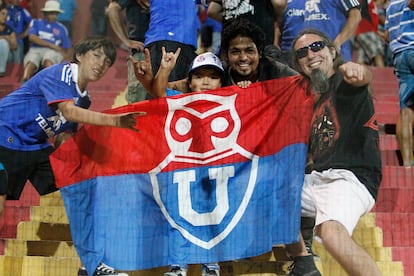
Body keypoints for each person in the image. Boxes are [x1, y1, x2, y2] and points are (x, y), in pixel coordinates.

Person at [0, 37, 143, 276]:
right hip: (5, 134)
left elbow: (63, 136)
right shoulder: (62, 72)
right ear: (79, 56)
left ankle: (90, 265)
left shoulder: (84, 99)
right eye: (96, 55)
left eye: (107, 61)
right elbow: (68, 111)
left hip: (34, 147)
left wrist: (79, 167)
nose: (101, 64)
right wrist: (114, 121)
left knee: (83, 189)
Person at [287, 28, 382, 275]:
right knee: (270, 191)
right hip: (317, 180)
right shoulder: (308, 103)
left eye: (317, 47)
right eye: (302, 52)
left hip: (349, 178)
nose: (310, 55)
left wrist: (360, 72)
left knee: (331, 233)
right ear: (298, 64)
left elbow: (361, 77)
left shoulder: (343, 81)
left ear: (332, 50)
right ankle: (305, 264)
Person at [131, 47, 225, 276]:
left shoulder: (233, 102)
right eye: (200, 76)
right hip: (182, 170)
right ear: (189, 81)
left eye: (213, 77)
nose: (206, 82)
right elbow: (161, 93)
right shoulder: (180, 100)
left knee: (213, 216)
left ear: (222, 84)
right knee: (178, 216)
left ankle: (211, 264)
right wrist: (165, 69)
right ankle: (178, 265)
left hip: (215, 172)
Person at [385, 0, 414, 167]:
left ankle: (408, 164)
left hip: (400, 56)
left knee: (406, 111)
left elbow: (389, 35)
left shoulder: (391, 6)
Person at [107, 0, 150, 103]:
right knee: (139, 100)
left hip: (165, 49)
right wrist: (125, 40)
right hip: (141, 50)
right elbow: (113, 8)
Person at [21, 0, 71, 82]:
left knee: (48, 60)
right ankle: (25, 81)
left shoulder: (62, 28)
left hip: (53, 51)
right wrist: (51, 45)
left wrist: (64, 59)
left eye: (56, 13)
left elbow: (68, 47)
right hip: (36, 49)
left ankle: (51, 82)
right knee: (31, 61)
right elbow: (32, 37)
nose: (54, 16)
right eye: (51, 13)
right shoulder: (36, 22)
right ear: (45, 13)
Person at [207, 0, 287, 47]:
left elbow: (212, 11)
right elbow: (280, 4)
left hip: (230, 42)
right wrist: (277, 19)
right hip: (258, 40)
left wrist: (233, 20)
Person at [274, 0, 306, 67]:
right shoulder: (283, 3)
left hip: (307, 48)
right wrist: (275, 43)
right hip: (287, 49)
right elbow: (277, 23)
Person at [355, 0, 385, 67]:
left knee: (363, 59)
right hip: (366, 32)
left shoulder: (373, 6)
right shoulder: (366, 2)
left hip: (366, 33)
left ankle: (361, 76)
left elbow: (373, 24)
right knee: (378, 54)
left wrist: (379, 33)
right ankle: (382, 74)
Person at [0, 2, 17, 77]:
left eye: (6, 15)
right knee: (3, 42)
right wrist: (5, 38)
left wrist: (8, 42)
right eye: (3, 14)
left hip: (7, 54)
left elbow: (14, 46)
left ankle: (2, 71)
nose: (5, 17)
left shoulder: (9, 29)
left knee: (4, 44)